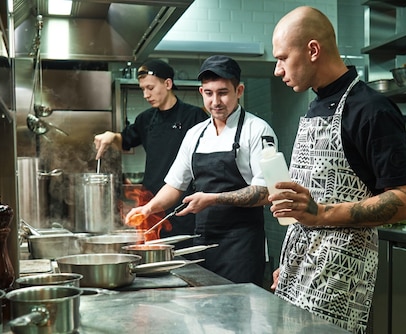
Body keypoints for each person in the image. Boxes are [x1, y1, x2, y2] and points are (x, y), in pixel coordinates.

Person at [269, 6, 406, 334]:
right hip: (301, 269)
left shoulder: (371, 110)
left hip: (339, 278)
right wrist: (293, 263)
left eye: (282, 58)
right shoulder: (314, 106)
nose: (279, 70)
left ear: (312, 50)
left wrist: (320, 214)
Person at [125, 55, 277, 286]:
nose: (215, 101)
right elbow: (175, 185)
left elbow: (267, 192)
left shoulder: (257, 130)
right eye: (208, 93)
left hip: (241, 245)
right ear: (201, 92)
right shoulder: (195, 134)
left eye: (223, 92)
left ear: (239, 90)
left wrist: (213, 199)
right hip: (201, 241)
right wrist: (147, 209)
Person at [94, 60, 208, 242]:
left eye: (150, 88)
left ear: (168, 84)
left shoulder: (194, 116)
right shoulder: (145, 119)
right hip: (152, 201)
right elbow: (125, 140)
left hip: (183, 203)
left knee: (185, 257)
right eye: (143, 89)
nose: (146, 95)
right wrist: (111, 136)